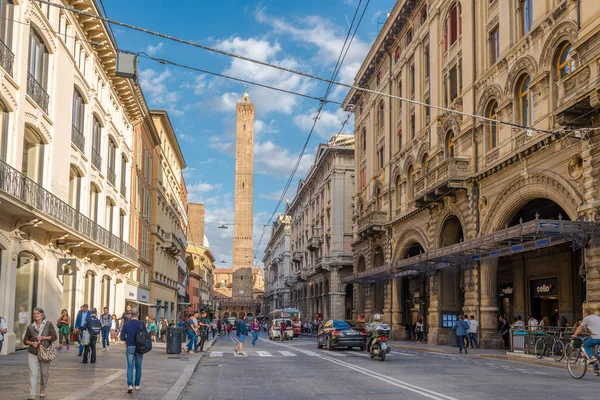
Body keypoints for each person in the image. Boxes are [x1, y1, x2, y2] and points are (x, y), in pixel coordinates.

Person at [23, 307, 57, 400]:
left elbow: (54, 337)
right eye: (34, 313)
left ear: (42, 314)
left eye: (38, 313)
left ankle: (42, 390)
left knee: (44, 373)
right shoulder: (30, 327)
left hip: (45, 352)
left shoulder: (48, 324)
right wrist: (31, 343)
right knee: (33, 373)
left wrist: (44, 338)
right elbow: (25, 340)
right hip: (33, 352)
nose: (36, 315)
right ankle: (32, 395)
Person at [120, 307, 146, 394]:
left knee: (130, 366)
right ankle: (137, 384)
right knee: (138, 366)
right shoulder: (142, 324)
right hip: (139, 347)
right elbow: (146, 336)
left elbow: (122, 337)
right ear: (138, 314)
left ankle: (130, 385)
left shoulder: (126, 324)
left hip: (130, 346)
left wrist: (126, 341)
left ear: (130, 315)